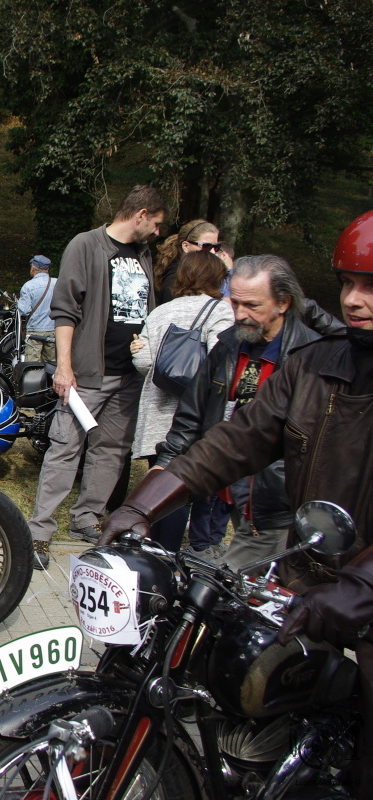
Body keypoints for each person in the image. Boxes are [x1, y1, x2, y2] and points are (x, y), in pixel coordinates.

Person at [98, 209, 373, 794]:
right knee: (228, 675)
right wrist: (144, 505)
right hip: (310, 583)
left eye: (371, 286)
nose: (354, 299)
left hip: (364, 599)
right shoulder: (316, 367)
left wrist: (363, 586)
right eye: (349, 283)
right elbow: (232, 442)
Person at [150, 254, 343, 570]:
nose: (240, 314)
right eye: (235, 303)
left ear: (283, 303)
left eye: (252, 305)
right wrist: (166, 464)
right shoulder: (229, 344)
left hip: (276, 502)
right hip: (227, 484)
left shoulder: (309, 355)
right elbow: (192, 412)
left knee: (235, 583)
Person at [28, 185, 167, 569]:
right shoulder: (85, 245)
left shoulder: (143, 253)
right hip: (87, 374)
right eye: (155, 224)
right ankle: (38, 532)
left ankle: (86, 520)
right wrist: (65, 365)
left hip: (129, 376)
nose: (157, 232)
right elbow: (65, 309)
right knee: (65, 447)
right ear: (140, 214)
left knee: (111, 452)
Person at [128, 250, 234, 556]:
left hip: (159, 416)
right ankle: (168, 560)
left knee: (160, 491)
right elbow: (221, 367)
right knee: (187, 495)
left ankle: (151, 554)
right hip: (198, 418)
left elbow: (146, 363)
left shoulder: (160, 312)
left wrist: (138, 350)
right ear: (217, 279)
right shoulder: (221, 313)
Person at [153, 218, 220, 304]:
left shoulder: (196, 274)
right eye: (206, 246)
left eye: (216, 247)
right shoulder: (174, 278)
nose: (213, 252)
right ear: (186, 246)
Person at [17, 254, 56, 362]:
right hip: (53, 329)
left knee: (32, 365)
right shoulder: (57, 283)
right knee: (52, 364)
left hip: (35, 331)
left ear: (34, 268)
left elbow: (24, 311)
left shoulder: (28, 286)